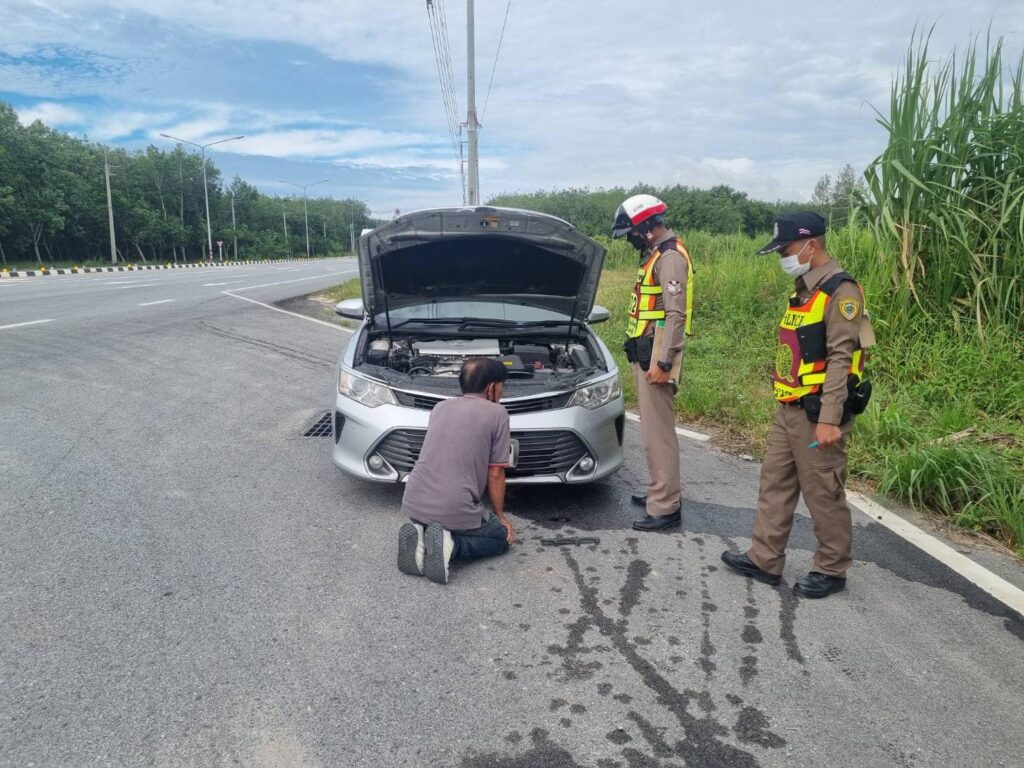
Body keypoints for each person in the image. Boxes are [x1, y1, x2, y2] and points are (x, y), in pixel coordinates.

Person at [721, 212, 875, 599]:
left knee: (823, 492)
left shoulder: (842, 292)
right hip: (789, 409)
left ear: (811, 244)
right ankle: (764, 558)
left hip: (818, 413)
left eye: (786, 250)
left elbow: (841, 358)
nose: (783, 257)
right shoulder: (805, 290)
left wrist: (829, 419)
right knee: (774, 483)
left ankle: (831, 568)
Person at [611, 194, 694, 531]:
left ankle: (665, 506)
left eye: (631, 232)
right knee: (651, 430)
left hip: (657, 355)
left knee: (659, 433)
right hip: (646, 351)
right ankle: (660, 490)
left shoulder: (670, 257)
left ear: (646, 227)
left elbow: (675, 314)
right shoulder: (655, 255)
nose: (630, 239)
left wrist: (663, 361)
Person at [397, 357, 516, 584]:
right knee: (501, 539)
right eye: (502, 385)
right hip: (454, 506)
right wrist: (500, 517)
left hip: (414, 501)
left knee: (439, 524)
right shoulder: (497, 413)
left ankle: (422, 535)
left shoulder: (440, 407)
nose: (502, 391)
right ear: (491, 387)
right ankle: (452, 546)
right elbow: (495, 472)